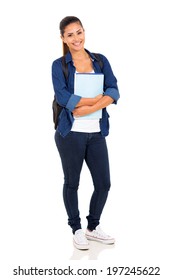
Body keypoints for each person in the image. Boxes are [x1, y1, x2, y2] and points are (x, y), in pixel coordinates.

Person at [51, 16, 120, 250]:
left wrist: (90, 107)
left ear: (84, 32)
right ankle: (76, 229)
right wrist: (99, 100)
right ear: (63, 38)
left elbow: (113, 89)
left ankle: (93, 226)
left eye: (78, 32)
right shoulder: (58, 65)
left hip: (96, 132)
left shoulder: (100, 60)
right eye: (70, 35)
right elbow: (63, 97)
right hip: (70, 133)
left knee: (104, 184)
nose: (76, 38)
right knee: (72, 183)